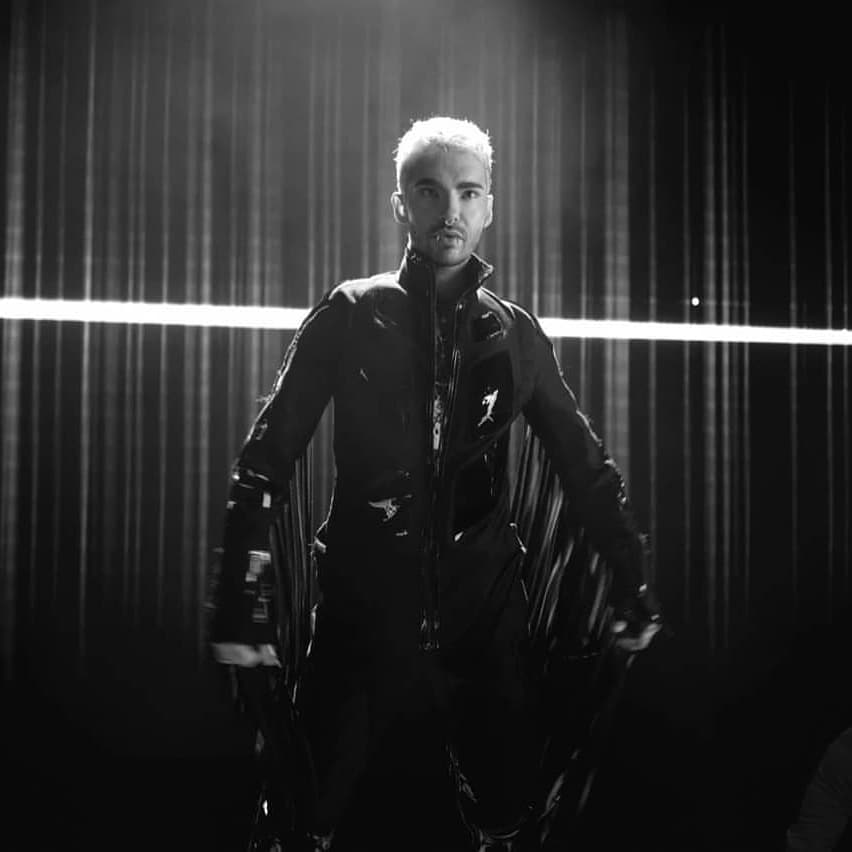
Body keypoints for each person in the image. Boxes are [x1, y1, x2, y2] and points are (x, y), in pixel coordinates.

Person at [208, 116, 661, 851]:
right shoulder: (351, 313)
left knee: (509, 818)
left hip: (485, 618)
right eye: (430, 191)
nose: (450, 210)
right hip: (360, 612)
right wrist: (239, 600)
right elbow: (267, 460)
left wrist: (630, 577)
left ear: (488, 207)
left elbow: (585, 469)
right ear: (402, 205)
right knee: (301, 818)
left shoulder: (515, 333)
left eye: (468, 192)